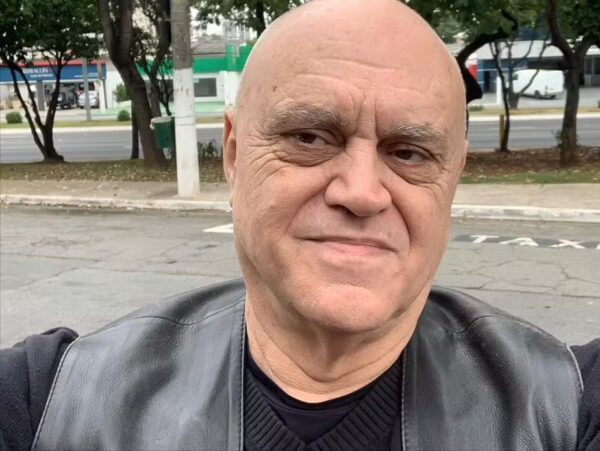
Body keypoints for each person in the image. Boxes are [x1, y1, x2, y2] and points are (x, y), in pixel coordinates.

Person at [1, 1, 598, 450]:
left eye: (409, 153)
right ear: (234, 154)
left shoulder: (567, 403)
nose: (361, 192)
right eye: (309, 138)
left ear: (453, 177)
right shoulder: (51, 400)